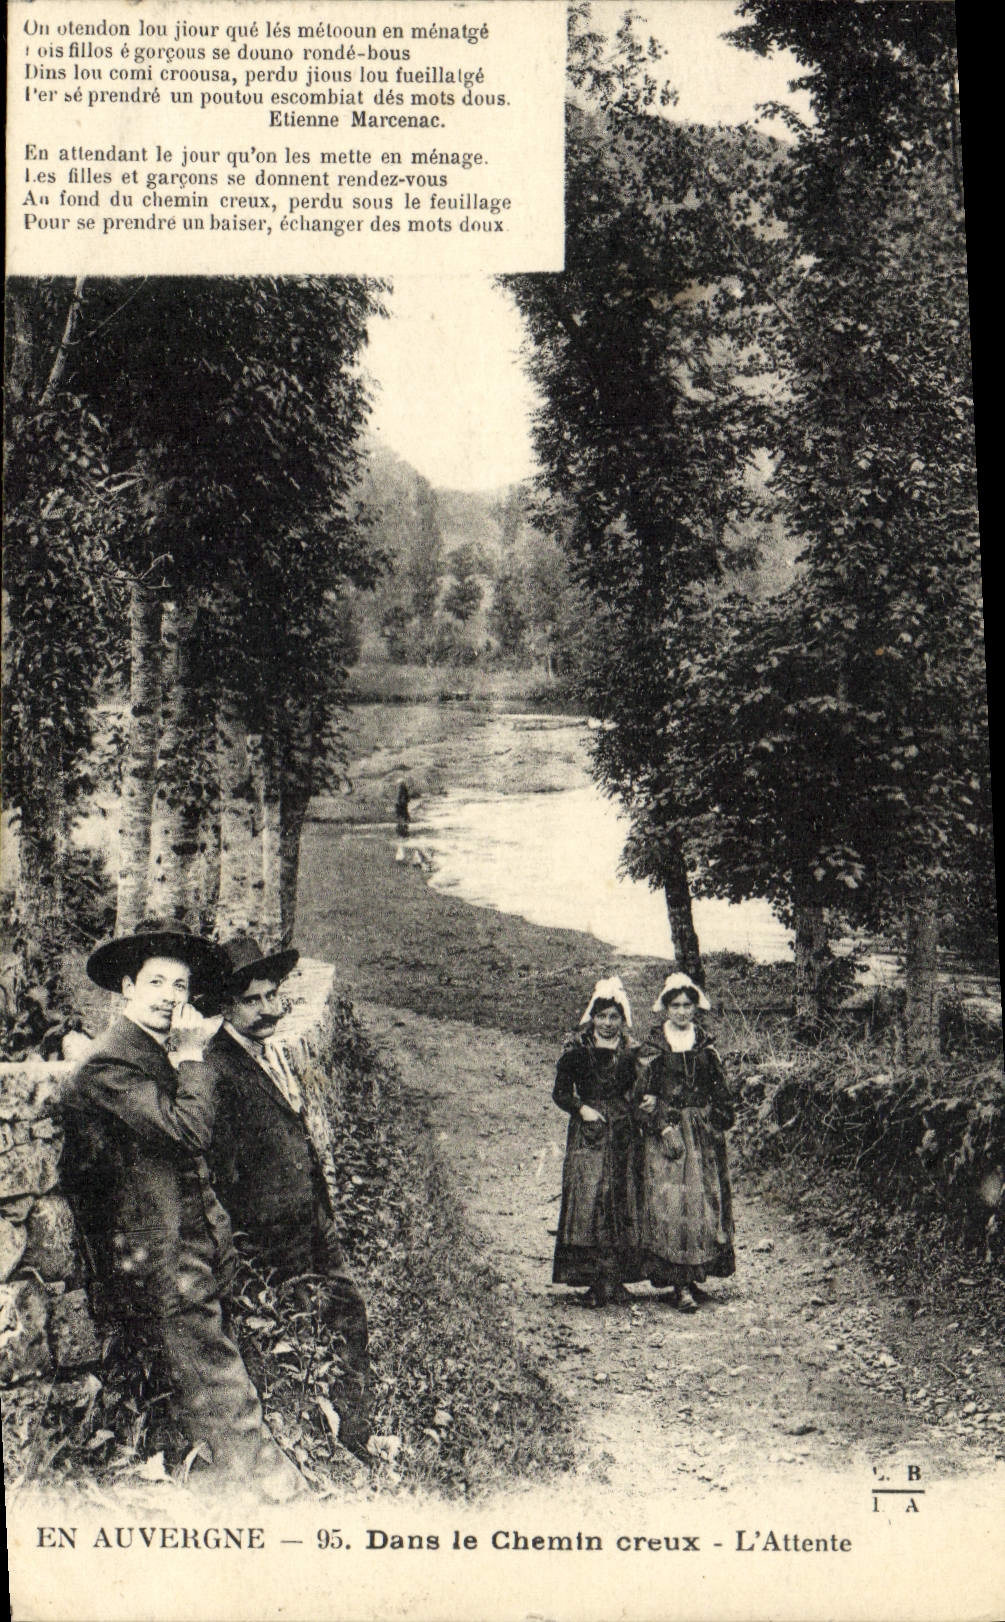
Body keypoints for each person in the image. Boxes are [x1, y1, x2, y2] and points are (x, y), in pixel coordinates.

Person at [60, 921, 303, 1499]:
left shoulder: (151, 1053)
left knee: (208, 1373)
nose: (171, 996)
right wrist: (193, 1057)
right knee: (219, 1381)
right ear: (126, 987)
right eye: (157, 983)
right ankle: (274, 1494)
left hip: (188, 1241)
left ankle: (228, 1485)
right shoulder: (109, 1065)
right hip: (160, 1252)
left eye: (181, 985)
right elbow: (187, 1131)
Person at [198, 934, 372, 1458]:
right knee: (298, 1336)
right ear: (226, 1005)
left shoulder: (265, 1053)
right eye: (253, 1000)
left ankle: (354, 1435)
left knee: (346, 1314)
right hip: (272, 1240)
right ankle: (319, 1443)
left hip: (311, 1221)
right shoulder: (217, 1070)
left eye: (273, 995)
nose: (270, 1009)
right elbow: (222, 1173)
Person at [633, 972, 736, 1311]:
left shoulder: (705, 1045)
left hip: (701, 1134)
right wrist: (662, 1126)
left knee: (703, 1201)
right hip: (669, 1133)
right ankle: (678, 1283)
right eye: (674, 1006)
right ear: (665, 1008)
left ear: (695, 1007)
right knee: (670, 1203)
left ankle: (695, 1274)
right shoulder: (653, 1047)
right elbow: (642, 1096)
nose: (681, 1012)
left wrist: (716, 1119)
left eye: (687, 1006)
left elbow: (721, 1090)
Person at [551, 976, 641, 1308]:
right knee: (589, 1199)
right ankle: (591, 1281)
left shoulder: (631, 1053)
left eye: (613, 1017)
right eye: (601, 1016)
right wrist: (581, 1109)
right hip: (588, 1132)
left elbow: (641, 1088)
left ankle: (615, 1280)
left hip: (621, 1130)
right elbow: (560, 1093)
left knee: (619, 1198)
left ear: (622, 1020)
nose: (606, 1023)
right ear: (593, 1016)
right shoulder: (577, 1050)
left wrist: (635, 1107)